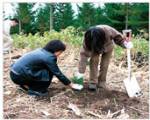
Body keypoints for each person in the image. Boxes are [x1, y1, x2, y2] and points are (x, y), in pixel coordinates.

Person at [10, 40, 83, 96]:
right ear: (56, 50)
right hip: (20, 76)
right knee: (49, 72)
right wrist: (71, 84)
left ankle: (25, 85)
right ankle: (36, 90)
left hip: (14, 74)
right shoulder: (49, 57)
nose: (60, 54)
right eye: (60, 52)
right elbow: (58, 73)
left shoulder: (40, 51)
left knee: (46, 70)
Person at [73, 25, 133, 91]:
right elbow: (83, 56)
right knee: (93, 62)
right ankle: (93, 82)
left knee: (104, 65)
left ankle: (102, 83)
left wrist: (125, 44)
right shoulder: (87, 39)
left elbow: (118, 38)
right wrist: (80, 73)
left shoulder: (108, 30)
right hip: (94, 49)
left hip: (108, 47)